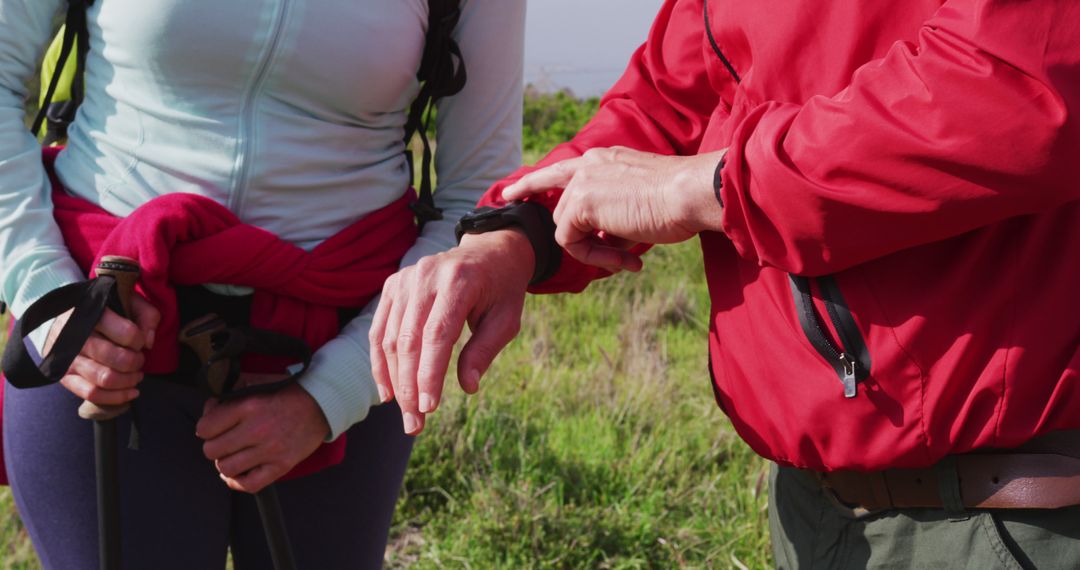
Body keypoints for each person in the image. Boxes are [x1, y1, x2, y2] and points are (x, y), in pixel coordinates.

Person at [370, 0, 1080, 566]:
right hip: (813, 512)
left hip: (1014, 513)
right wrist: (519, 232)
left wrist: (712, 185)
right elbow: (670, 99)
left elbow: (1018, 88)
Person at [0, 0, 525, 567]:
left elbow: (476, 204)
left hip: (350, 335)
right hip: (100, 317)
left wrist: (330, 395)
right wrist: (47, 295)